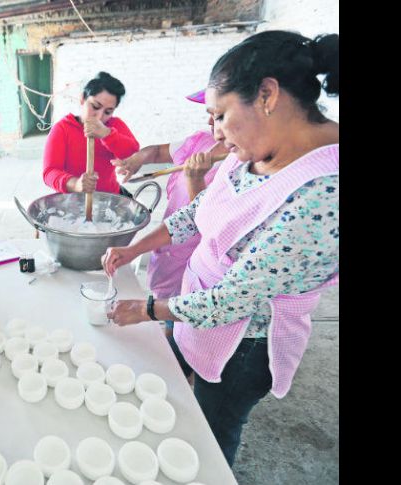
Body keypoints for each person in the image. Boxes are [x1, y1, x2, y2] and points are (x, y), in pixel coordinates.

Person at [102, 30, 339, 466]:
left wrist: (148, 309)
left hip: (245, 345)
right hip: (192, 307)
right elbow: (197, 213)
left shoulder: (325, 191)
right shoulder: (252, 148)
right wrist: (137, 247)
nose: (214, 132)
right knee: (173, 392)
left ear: (268, 94)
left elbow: (231, 300)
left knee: (212, 434)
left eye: (220, 115)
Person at [111, 91, 228, 338]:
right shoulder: (201, 142)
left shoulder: (238, 165)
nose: (210, 122)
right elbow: (154, 153)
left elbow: (205, 221)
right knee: (167, 311)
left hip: (199, 259)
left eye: (218, 116)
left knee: (185, 320)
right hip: (169, 242)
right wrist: (137, 159)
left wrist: (195, 178)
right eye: (210, 115)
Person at [43, 71, 140, 197]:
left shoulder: (114, 125)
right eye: (95, 106)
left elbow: (134, 153)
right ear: (82, 99)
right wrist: (76, 184)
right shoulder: (62, 129)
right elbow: (49, 172)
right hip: (72, 201)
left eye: (108, 112)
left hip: (110, 199)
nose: (99, 117)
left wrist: (107, 134)